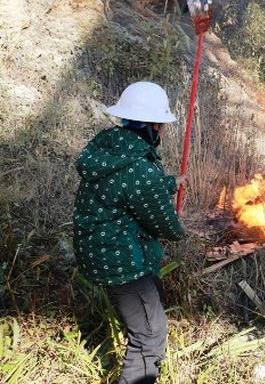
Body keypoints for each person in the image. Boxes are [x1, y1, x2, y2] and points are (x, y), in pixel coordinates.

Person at [72, 81, 186, 384]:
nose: (163, 130)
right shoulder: (141, 169)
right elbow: (166, 224)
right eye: (161, 124)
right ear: (151, 126)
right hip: (120, 259)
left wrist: (170, 183)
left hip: (97, 249)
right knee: (150, 336)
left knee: (150, 305)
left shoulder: (110, 149)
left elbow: (125, 189)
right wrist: (180, 230)